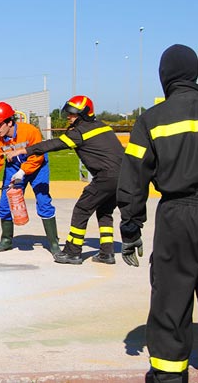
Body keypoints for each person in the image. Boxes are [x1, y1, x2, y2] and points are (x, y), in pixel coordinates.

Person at [117, 44, 198, 383]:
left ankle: (168, 378)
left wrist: (131, 227)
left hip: (177, 217)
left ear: (165, 78)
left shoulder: (152, 119)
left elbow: (133, 177)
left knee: (171, 301)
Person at [6, 95, 124, 265]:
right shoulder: (102, 127)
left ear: (83, 114)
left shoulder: (79, 132)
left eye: (72, 114)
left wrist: (23, 150)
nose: (68, 117)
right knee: (104, 211)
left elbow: (53, 144)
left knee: (81, 210)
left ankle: (72, 252)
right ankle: (107, 253)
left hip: (105, 177)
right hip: (121, 177)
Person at [0, 101, 60, 255]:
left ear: (10, 122)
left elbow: (37, 156)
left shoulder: (30, 131)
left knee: (44, 202)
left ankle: (54, 244)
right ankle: (6, 240)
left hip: (37, 167)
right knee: (5, 204)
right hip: (14, 168)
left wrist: (23, 172)